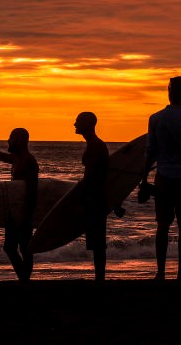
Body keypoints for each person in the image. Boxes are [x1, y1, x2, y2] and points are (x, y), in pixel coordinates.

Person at [139, 76, 181, 280]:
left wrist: (143, 179)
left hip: (164, 178)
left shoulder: (156, 119)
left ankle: (160, 272)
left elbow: (150, 152)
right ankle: (180, 272)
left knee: (162, 225)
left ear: (169, 91)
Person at [0, 128, 39, 282]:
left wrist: (28, 213)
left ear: (19, 140)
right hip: (14, 211)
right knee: (10, 247)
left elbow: (32, 189)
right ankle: (23, 278)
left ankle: (24, 279)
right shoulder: (18, 158)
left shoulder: (29, 161)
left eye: (11, 138)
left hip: (24, 211)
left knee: (25, 247)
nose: (8, 140)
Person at [74, 112, 110, 281]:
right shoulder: (94, 145)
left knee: (97, 243)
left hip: (95, 200)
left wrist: (81, 202)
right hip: (96, 199)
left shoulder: (96, 146)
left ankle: (100, 279)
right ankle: (99, 278)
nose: (74, 124)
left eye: (78, 121)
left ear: (88, 124)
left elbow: (91, 178)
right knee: (96, 242)